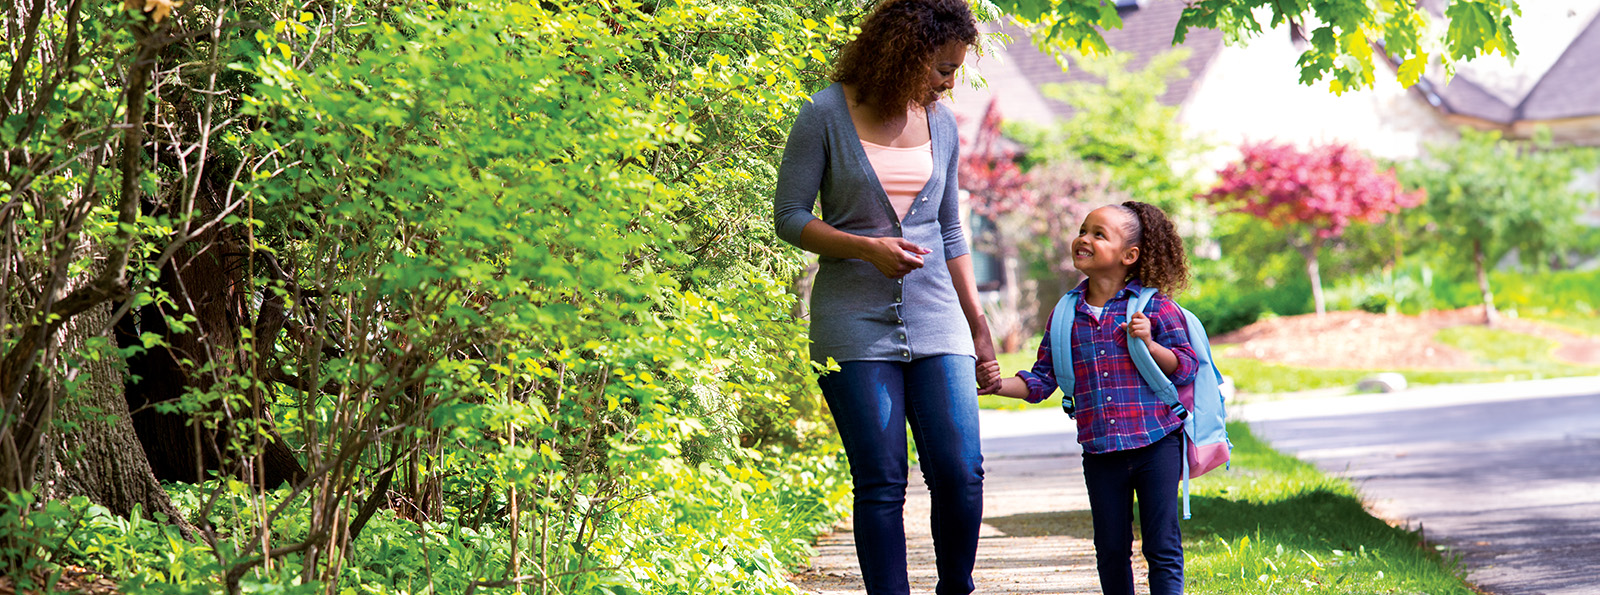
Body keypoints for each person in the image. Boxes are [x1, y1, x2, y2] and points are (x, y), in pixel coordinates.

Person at [770, 1, 1000, 593]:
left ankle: (957, 587)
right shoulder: (824, 113)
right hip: (853, 319)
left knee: (960, 471)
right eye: (942, 69)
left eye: (954, 70)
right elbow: (790, 218)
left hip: (938, 315)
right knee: (880, 478)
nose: (949, 82)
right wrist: (863, 248)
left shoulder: (941, 121)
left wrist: (977, 321)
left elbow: (951, 229)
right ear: (903, 53)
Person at [985, 201, 1197, 595]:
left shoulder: (1155, 307)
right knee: (1110, 549)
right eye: (1084, 230)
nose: (1084, 238)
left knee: (1161, 545)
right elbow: (1041, 380)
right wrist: (997, 385)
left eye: (1099, 234)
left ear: (1129, 255)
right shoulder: (1065, 314)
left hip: (1157, 443)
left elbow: (1186, 368)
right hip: (1100, 452)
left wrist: (1149, 343)